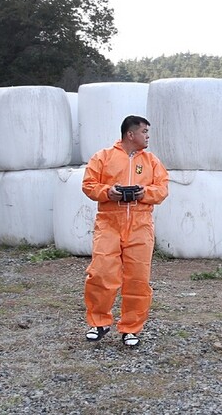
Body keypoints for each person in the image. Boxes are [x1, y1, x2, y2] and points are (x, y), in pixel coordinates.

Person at [82, 115, 169, 347]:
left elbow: (162, 189)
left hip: (140, 224)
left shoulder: (151, 161)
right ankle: (99, 322)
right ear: (131, 134)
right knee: (101, 271)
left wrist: (144, 193)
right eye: (144, 132)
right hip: (109, 221)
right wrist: (109, 192)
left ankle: (131, 328)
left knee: (138, 278)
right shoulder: (103, 157)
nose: (147, 136)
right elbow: (89, 185)